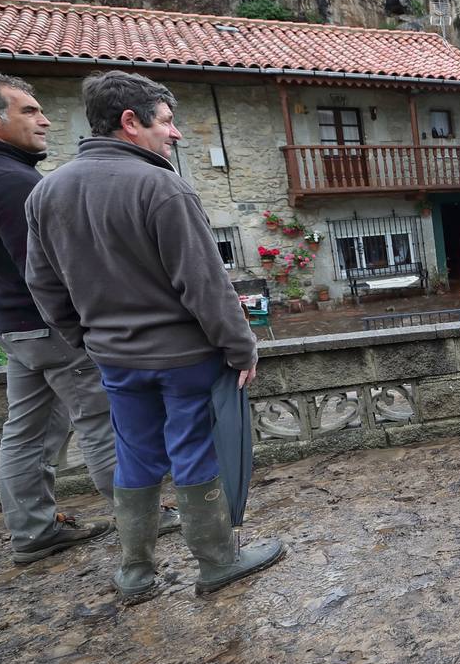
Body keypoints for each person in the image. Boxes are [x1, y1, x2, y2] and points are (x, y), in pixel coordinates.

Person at [25, 71, 284, 602]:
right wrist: (241, 348)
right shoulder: (162, 186)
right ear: (129, 122)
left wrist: (87, 337)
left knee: (135, 457)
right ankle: (216, 562)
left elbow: (42, 283)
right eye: (166, 121)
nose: (176, 134)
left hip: (115, 359)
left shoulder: (47, 191)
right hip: (185, 358)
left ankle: (136, 573)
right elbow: (206, 285)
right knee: (193, 453)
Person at [0, 74, 179, 565]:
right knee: (103, 422)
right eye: (30, 111)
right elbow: (46, 270)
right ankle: (141, 519)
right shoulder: (13, 182)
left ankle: (33, 530)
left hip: (10, 328)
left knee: (25, 430)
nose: (44, 120)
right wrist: (87, 324)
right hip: (50, 328)